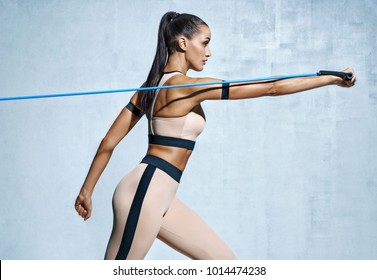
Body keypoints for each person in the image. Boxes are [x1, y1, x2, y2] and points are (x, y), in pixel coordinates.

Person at [74, 11, 356, 260]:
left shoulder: (149, 87)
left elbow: (107, 143)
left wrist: (87, 190)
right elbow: (270, 87)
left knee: (225, 265)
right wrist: (329, 79)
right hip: (145, 190)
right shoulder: (186, 86)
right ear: (183, 43)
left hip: (161, 193)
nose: (209, 52)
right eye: (205, 42)